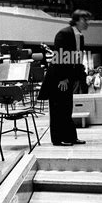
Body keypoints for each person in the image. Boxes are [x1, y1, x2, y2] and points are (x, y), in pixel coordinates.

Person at [38, 10, 90, 146]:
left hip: (68, 78)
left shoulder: (80, 37)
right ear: (77, 20)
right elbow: (59, 56)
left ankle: (70, 137)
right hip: (58, 78)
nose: (87, 23)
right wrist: (62, 78)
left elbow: (77, 59)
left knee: (67, 109)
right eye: (85, 20)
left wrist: (78, 77)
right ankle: (57, 139)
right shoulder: (64, 33)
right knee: (57, 110)